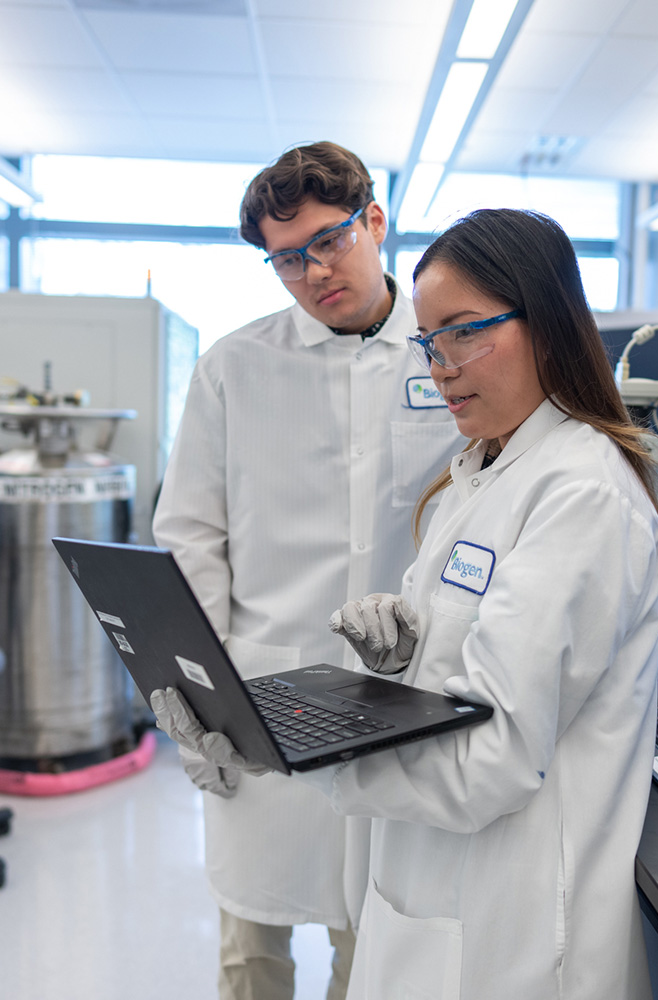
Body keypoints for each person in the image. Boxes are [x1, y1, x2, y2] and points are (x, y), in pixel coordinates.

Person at [153, 207, 658, 999]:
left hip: (513, 934)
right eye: (431, 339)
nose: (441, 365)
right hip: (433, 900)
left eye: (466, 331)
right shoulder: (481, 473)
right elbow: (478, 657)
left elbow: (490, 761)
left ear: (546, 323)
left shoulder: (580, 495)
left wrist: (292, 750)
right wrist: (408, 655)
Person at [151, 141, 460, 1000]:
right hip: (256, 696)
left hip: (401, 703)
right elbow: (190, 540)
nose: (313, 270)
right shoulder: (234, 368)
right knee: (251, 950)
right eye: (286, 259)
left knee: (377, 951)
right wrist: (192, 695)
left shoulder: (449, 360)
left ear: (375, 221)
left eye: (330, 241)